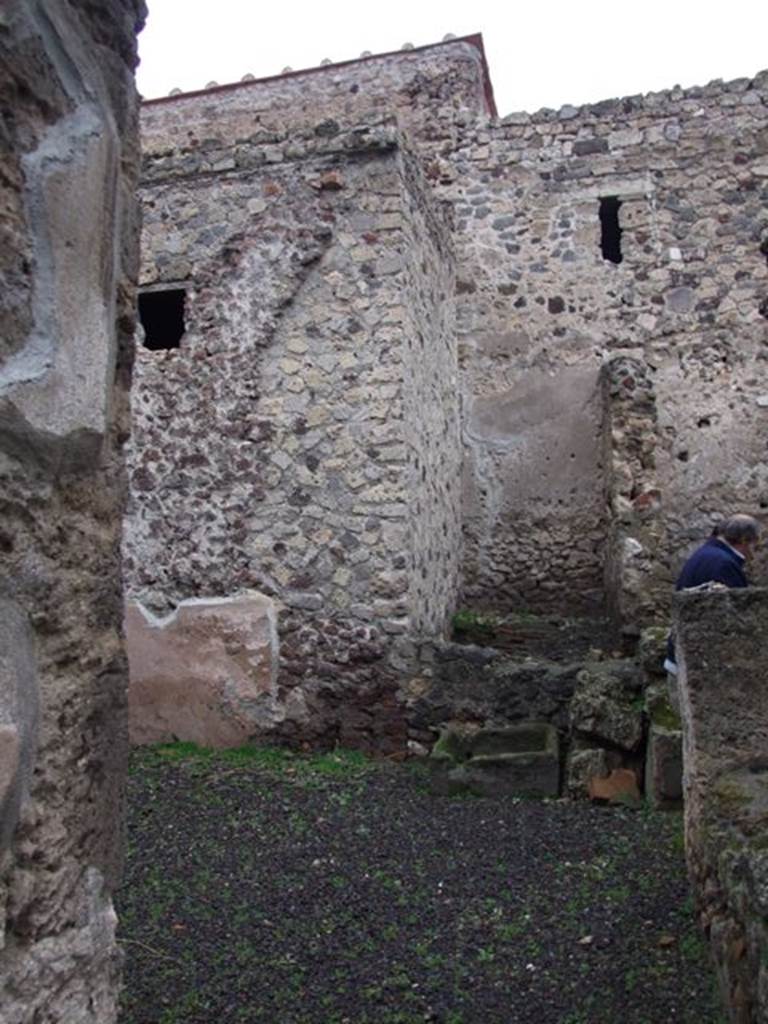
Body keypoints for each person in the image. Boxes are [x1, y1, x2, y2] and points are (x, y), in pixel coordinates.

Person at [664, 513, 760, 678]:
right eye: (755, 544)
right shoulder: (724, 564)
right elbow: (740, 618)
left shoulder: (708, 553)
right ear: (744, 540)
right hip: (696, 665)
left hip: (680, 655)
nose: (754, 552)